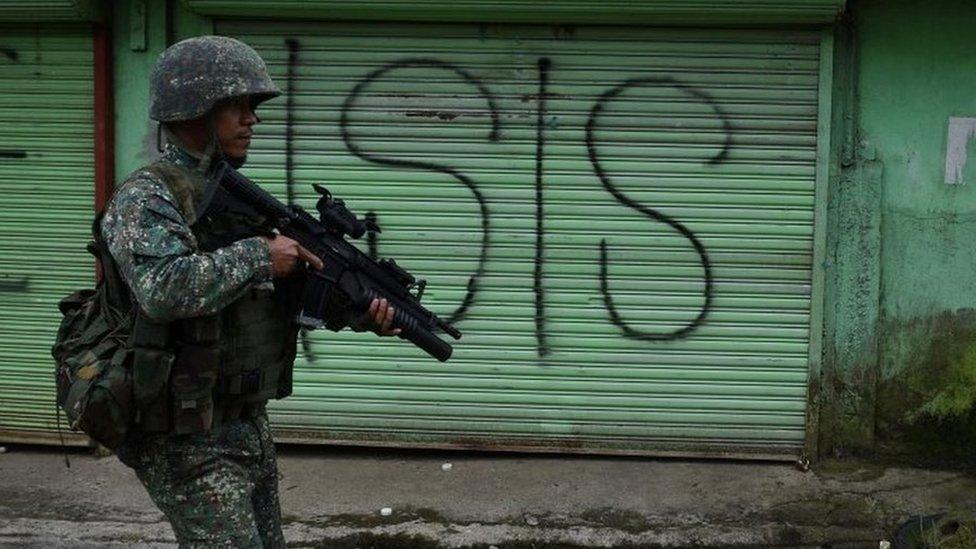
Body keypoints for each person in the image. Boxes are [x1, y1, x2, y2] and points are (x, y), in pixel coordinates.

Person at [101, 36, 397, 547]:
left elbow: (281, 294)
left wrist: (360, 311)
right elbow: (162, 289)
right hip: (185, 434)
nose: (251, 119)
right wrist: (262, 254)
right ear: (195, 109)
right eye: (238, 106)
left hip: (243, 422)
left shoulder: (230, 196)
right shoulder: (146, 198)